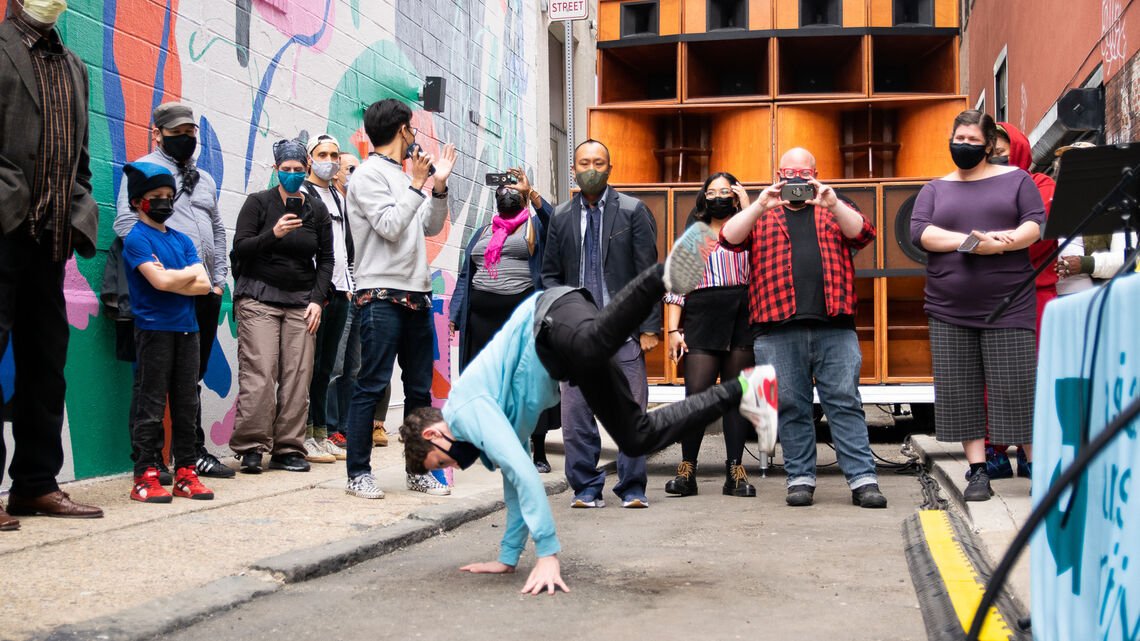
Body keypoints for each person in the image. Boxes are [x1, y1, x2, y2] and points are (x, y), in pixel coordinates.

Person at [399, 226, 776, 594]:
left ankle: (665, 275)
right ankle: (746, 387)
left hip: (549, 317)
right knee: (637, 437)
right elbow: (515, 487)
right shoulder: (484, 428)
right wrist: (508, 557)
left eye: (441, 461)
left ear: (434, 433)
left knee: (591, 344)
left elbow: (526, 477)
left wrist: (547, 554)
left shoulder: (468, 412)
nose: (453, 466)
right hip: (568, 358)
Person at [721, 147, 889, 509]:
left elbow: (864, 233)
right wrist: (760, 204)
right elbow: (729, 238)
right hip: (776, 328)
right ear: (778, 175)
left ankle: (863, 480)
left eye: (803, 173)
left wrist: (832, 202)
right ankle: (800, 479)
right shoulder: (763, 212)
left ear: (815, 173)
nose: (796, 179)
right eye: (789, 173)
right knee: (791, 406)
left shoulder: (834, 206)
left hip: (835, 324)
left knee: (845, 403)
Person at [0, 0, 104, 529]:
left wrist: (79, 209)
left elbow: (80, 160)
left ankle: (36, 485)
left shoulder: (75, 66)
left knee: (46, 368)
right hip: (2, 231)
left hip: (51, 240)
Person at [909, 110, 1044, 502]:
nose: (963, 146)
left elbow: (1034, 225)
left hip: (1008, 304)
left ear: (988, 146)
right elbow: (920, 232)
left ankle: (1038, 468)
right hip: (948, 307)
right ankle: (978, 470)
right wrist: (971, 241)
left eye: (972, 140)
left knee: (1017, 387)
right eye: (959, 139)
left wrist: (1001, 243)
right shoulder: (935, 188)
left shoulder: (1017, 180)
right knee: (961, 389)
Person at [114, 102, 235, 481]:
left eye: (190, 132)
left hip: (204, 291)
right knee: (150, 382)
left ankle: (191, 454)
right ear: (158, 134)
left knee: (190, 379)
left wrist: (218, 280)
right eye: (177, 133)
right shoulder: (144, 171)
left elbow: (217, 229)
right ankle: (148, 459)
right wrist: (162, 272)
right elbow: (125, 222)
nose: (185, 138)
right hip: (162, 296)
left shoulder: (204, 179)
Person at [343, 99, 457, 499]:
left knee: (420, 391)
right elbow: (389, 226)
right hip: (380, 295)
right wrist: (417, 184)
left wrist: (437, 187)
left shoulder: (408, 176)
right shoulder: (367, 176)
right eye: (412, 129)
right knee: (371, 386)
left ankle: (418, 471)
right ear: (402, 130)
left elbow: (430, 225)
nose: (415, 137)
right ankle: (358, 473)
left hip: (418, 294)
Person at [541, 139, 660, 509]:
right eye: (584, 163)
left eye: (598, 162)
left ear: (610, 168)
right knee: (576, 415)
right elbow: (549, 276)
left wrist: (650, 327)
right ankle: (585, 487)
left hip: (623, 333)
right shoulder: (560, 216)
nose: (591, 169)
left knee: (631, 411)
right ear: (573, 169)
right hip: (577, 336)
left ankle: (633, 487)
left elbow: (648, 272)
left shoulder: (633, 211)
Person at [228, 139, 334, 474]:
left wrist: (317, 300)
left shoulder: (316, 209)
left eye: (298, 169)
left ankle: (288, 447)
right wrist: (273, 233)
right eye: (286, 169)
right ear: (276, 169)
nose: (292, 174)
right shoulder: (258, 203)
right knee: (260, 374)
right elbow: (240, 248)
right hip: (259, 297)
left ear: (306, 169)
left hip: (301, 302)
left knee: (298, 377)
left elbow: (327, 260)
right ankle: (251, 446)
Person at [119, 162, 216, 502]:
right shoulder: (136, 238)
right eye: (155, 196)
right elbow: (158, 281)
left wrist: (175, 277)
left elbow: (204, 285)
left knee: (187, 404)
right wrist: (186, 275)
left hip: (188, 330)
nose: (164, 201)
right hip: (153, 331)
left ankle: (186, 472)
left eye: (168, 195)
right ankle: (145, 475)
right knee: (151, 404)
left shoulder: (182, 240)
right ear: (137, 202)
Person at [451, 170, 558, 473]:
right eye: (503, 188)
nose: (508, 192)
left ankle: (538, 451)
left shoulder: (534, 226)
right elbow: (466, 274)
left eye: (514, 188)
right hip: (481, 318)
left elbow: (556, 224)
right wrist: (456, 313)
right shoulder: (483, 232)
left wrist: (532, 193)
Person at [664, 172, 756, 498]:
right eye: (712, 192)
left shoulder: (750, 233)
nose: (719, 197)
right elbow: (676, 288)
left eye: (725, 191)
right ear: (704, 198)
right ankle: (687, 470)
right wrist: (673, 330)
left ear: (736, 195)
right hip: (702, 315)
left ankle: (735, 472)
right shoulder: (694, 237)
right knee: (696, 398)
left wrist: (748, 207)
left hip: (741, 315)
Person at [302, 134, 354, 464]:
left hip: (340, 291)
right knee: (308, 367)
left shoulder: (338, 196)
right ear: (310, 158)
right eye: (323, 154)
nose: (330, 161)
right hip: (314, 294)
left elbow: (345, 245)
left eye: (334, 155)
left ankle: (321, 433)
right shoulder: (302, 194)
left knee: (327, 369)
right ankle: (304, 434)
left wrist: (348, 283)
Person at [1052, 142, 1138, 295]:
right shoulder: (1049, 206)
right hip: (1053, 298)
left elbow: (1127, 259)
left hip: (1097, 297)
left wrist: (1086, 264)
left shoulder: (1115, 208)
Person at [326, 152, 362, 450]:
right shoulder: (331, 204)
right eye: (351, 168)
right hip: (342, 295)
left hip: (361, 296)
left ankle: (347, 428)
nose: (354, 174)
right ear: (337, 172)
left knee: (354, 368)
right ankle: (328, 428)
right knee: (334, 367)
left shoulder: (358, 207)